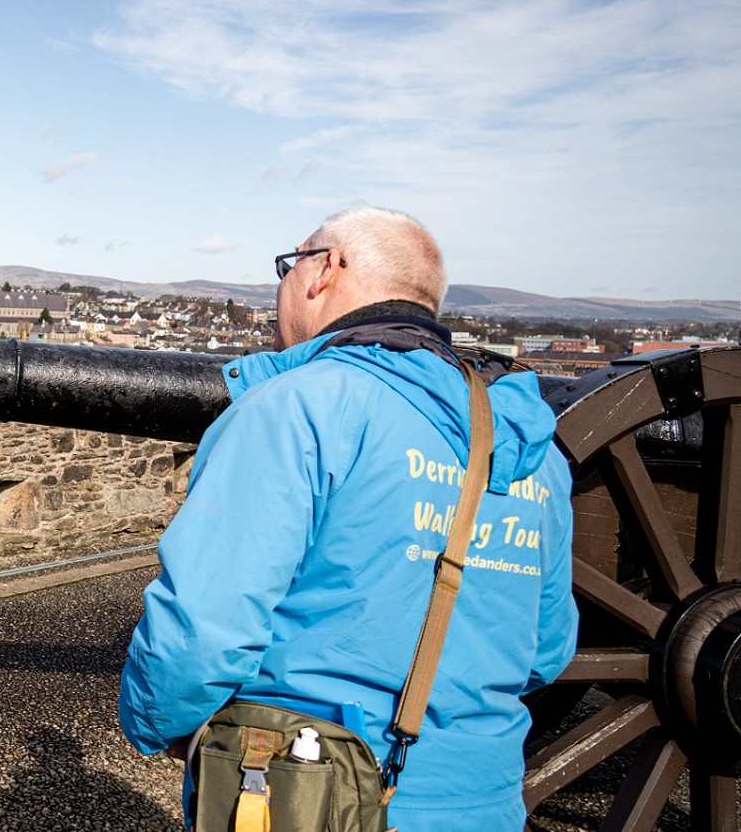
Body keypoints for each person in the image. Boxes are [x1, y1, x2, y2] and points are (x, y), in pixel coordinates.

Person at [117, 207, 577, 831]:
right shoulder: (533, 449)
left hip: (310, 795)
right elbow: (545, 650)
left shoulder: (298, 407)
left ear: (325, 268)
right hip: (483, 800)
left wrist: (158, 722)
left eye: (288, 265)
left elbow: (203, 628)